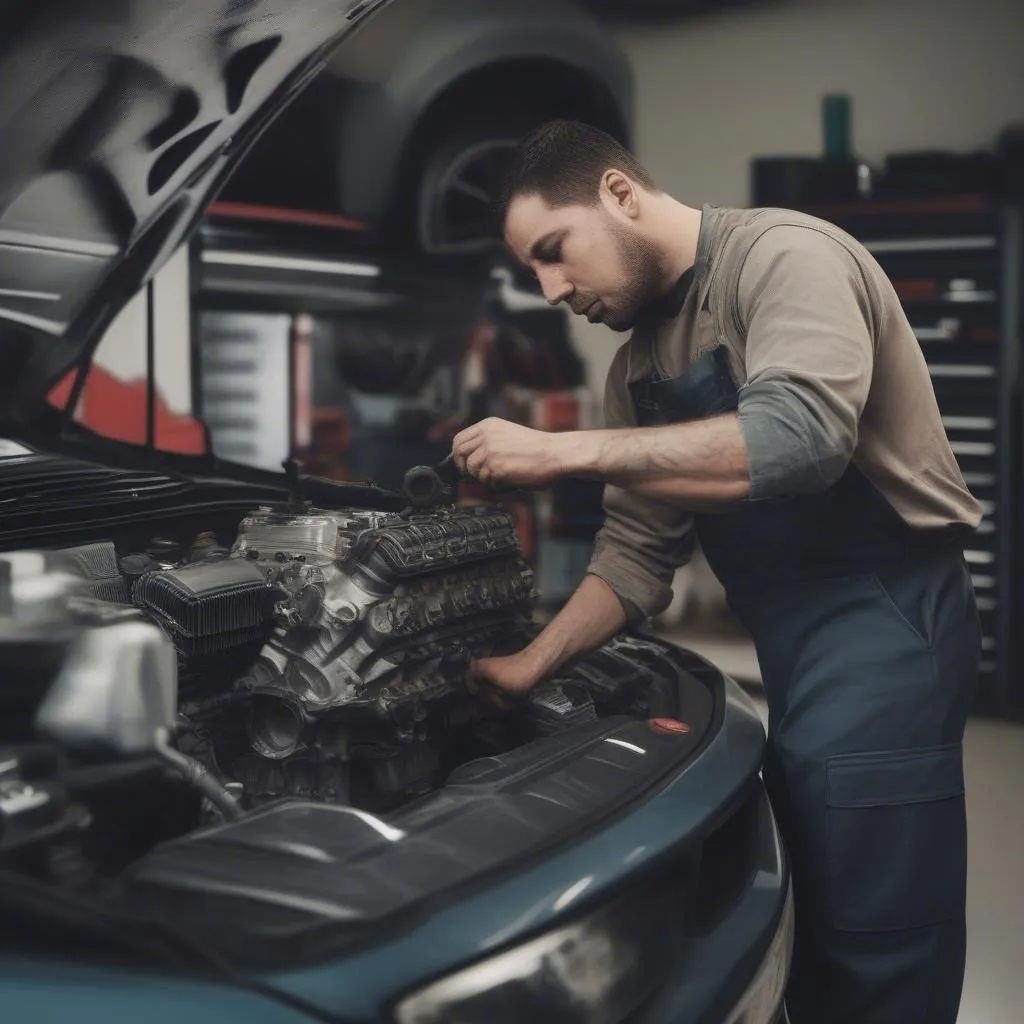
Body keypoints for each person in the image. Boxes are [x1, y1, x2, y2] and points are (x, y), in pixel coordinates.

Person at [451, 120, 982, 1024]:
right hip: (794, 635)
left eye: (553, 252)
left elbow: (801, 440)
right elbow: (635, 555)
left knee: (877, 924)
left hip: (884, 617)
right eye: (532, 271)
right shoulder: (638, 366)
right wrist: (527, 668)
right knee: (811, 887)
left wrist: (562, 452)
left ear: (619, 194)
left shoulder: (782, 257)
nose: (548, 290)